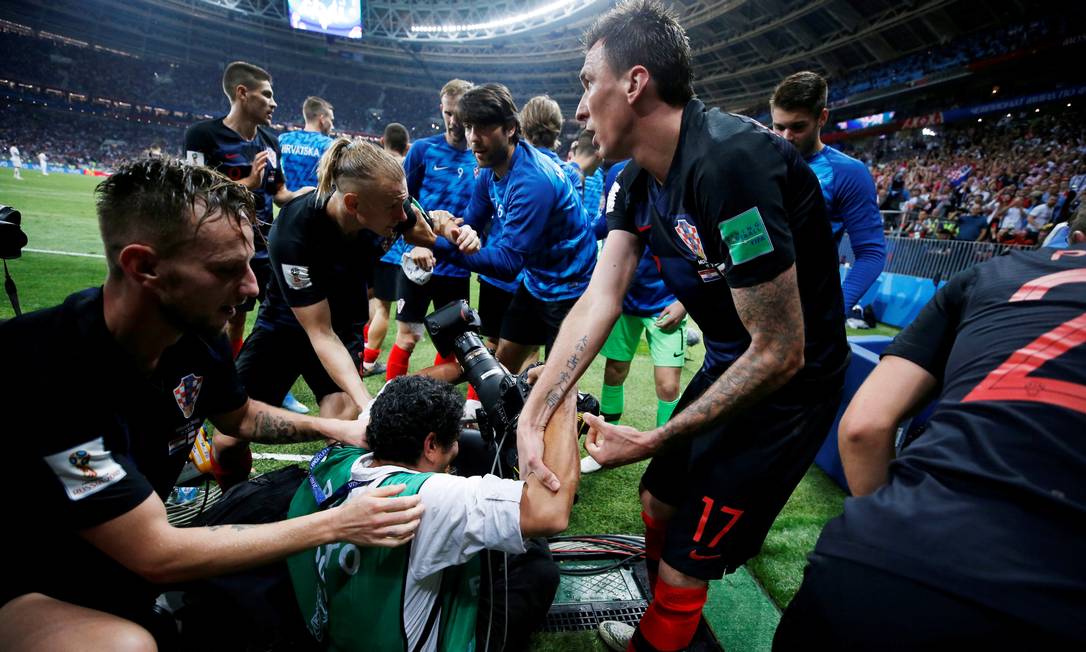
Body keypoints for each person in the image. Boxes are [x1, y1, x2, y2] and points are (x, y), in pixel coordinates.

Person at [517, 3, 849, 650]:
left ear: (635, 83)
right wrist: (534, 414)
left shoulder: (729, 165)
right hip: (731, 362)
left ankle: (664, 631)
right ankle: (672, 626)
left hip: (790, 388)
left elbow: (780, 351)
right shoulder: (634, 182)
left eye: (589, 81)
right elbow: (599, 297)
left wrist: (655, 435)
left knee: (687, 555)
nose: (580, 107)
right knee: (658, 502)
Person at [0, 158, 426, 650]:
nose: (250, 288)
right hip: (27, 578)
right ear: (144, 267)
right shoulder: (50, 372)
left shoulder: (196, 337)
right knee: (125, 646)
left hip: (113, 560)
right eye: (226, 269)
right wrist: (337, 524)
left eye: (249, 263)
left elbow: (240, 416)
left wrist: (342, 430)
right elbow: (156, 553)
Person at [774, 208, 1086, 649]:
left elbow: (863, 426)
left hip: (873, 561)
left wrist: (886, 530)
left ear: (1074, 238)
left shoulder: (990, 272)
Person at [229, 137, 479, 478]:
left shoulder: (391, 206)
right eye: (394, 207)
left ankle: (329, 504)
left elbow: (423, 225)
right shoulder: (295, 231)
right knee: (227, 440)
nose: (401, 214)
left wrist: (451, 230)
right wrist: (367, 404)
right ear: (353, 203)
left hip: (344, 323)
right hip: (286, 327)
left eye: (402, 203)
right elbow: (318, 332)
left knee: (342, 428)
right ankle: (236, 502)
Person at [287, 374, 579, 651]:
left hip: (340, 630)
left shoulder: (340, 455)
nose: (457, 445)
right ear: (430, 445)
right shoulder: (429, 499)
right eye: (452, 439)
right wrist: (564, 390)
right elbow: (550, 513)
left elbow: (394, 387)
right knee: (537, 564)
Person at [431, 83, 598, 374]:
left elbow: (508, 262)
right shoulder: (489, 169)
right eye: (469, 127)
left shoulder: (532, 181)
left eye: (483, 127)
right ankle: (495, 417)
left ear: (510, 128)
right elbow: (472, 219)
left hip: (571, 289)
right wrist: (448, 230)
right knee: (502, 362)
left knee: (556, 384)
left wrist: (434, 245)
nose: (473, 138)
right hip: (536, 282)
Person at [184, 61, 308, 359]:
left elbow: (278, 193)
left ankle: (245, 371)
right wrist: (247, 183)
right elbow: (193, 190)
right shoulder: (202, 135)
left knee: (270, 316)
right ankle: (207, 372)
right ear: (242, 93)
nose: (274, 103)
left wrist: (303, 195)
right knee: (219, 314)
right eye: (266, 95)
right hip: (218, 244)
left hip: (263, 247)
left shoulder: (271, 142)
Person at [770, 71, 886, 327]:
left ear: (822, 117)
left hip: (810, 311)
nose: (787, 136)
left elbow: (871, 253)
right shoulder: (756, 163)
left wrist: (835, 311)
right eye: (779, 127)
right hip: (753, 307)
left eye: (798, 127)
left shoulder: (848, 173)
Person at [382, 80, 478, 383]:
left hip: (455, 266)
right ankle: (388, 402)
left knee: (452, 346)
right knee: (407, 338)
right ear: (442, 109)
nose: (453, 122)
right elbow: (402, 200)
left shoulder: (480, 159)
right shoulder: (423, 150)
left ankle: (435, 401)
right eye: (448, 113)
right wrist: (419, 241)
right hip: (416, 260)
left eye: (459, 114)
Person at [276, 95, 338, 414]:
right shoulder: (330, 145)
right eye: (330, 115)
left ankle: (280, 387)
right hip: (315, 231)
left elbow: (275, 187)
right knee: (312, 314)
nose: (331, 120)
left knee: (280, 308)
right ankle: (325, 388)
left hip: (280, 228)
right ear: (322, 117)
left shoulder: (283, 140)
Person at [279, 95, 336, 196]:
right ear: (322, 118)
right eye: (331, 120)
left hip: (285, 204)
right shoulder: (328, 144)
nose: (332, 125)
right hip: (312, 206)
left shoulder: (283, 139)